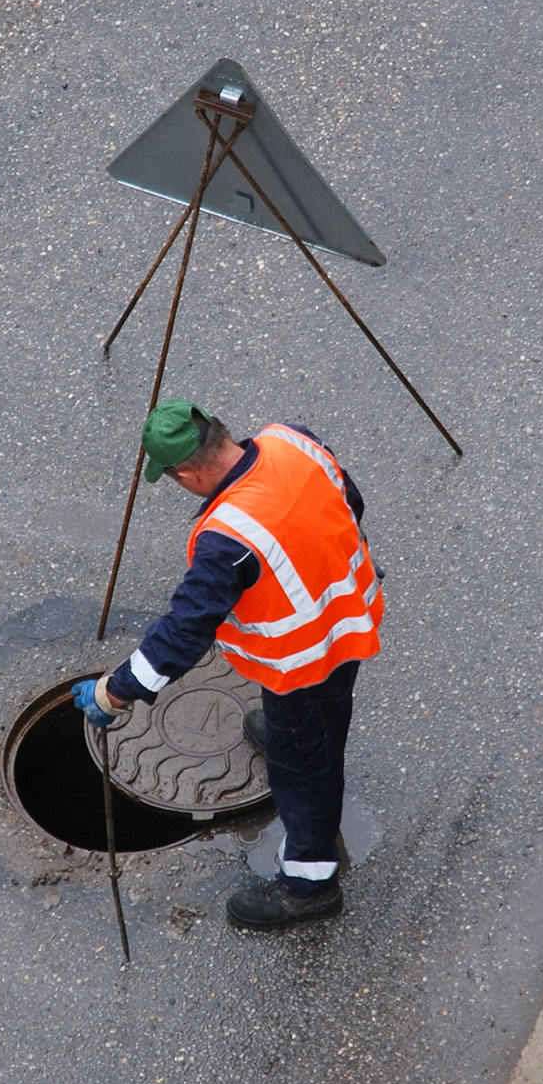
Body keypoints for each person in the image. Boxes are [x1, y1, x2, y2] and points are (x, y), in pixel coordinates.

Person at [73, 398, 382, 930]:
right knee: (319, 721)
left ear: (188, 472)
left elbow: (181, 635)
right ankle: (303, 740)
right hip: (352, 615)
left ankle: (309, 885)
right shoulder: (292, 439)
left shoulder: (226, 539)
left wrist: (114, 693)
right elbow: (348, 500)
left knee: (303, 767)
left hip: (301, 663)